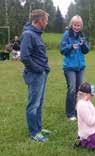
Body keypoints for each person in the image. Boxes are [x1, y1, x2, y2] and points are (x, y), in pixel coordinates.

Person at [20, 9, 50, 142]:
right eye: (46, 20)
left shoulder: (36, 34)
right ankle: (34, 133)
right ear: (39, 21)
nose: (47, 23)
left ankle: (38, 128)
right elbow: (24, 57)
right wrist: (38, 69)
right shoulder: (28, 34)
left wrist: (44, 69)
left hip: (41, 73)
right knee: (33, 104)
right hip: (35, 74)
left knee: (39, 103)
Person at [60, 15, 90, 121]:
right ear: (71, 25)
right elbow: (62, 50)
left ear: (81, 26)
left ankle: (78, 111)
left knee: (80, 90)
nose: (76, 27)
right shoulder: (66, 35)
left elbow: (87, 50)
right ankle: (70, 113)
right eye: (75, 25)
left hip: (80, 67)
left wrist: (83, 45)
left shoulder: (82, 35)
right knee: (72, 89)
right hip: (69, 67)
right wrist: (71, 46)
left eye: (79, 25)